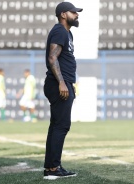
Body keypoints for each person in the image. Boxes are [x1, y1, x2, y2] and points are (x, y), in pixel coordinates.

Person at [43, 2, 82, 180]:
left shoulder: (67, 33)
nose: (77, 15)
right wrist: (62, 83)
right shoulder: (59, 30)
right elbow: (53, 57)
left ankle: (51, 167)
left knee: (56, 126)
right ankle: (53, 169)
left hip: (62, 83)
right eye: (74, 12)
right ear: (63, 14)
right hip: (59, 84)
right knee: (62, 125)